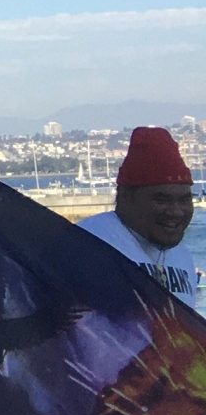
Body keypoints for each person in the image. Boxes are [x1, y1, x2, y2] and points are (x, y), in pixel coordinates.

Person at [76, 126, 198, 302]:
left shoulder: (181, 255)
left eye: (185, 200)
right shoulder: (88, 243)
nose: (176, 211)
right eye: (161, 200)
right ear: (125, 196)